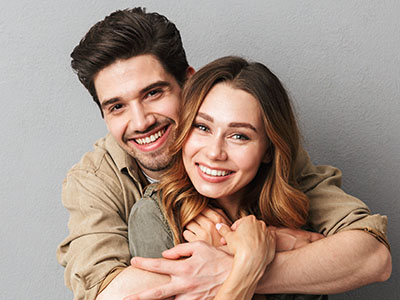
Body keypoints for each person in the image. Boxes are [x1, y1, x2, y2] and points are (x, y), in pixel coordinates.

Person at [56, 8, 391, 300]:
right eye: (117, 107)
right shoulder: (98, 182)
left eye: (154, 93)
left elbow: (371, 257)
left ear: (189, 81)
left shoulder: (257, 145)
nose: (141, 121)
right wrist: (251, 255)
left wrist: (240, 256)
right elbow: (110, 293)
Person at [128, 56, 329, 300]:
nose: (214, 152)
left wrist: (240, 253)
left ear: (268, 150)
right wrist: (247, 262)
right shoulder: (155, 215)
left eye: (239, 136)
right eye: (202, 127)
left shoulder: (292, 212)